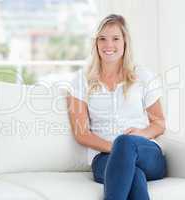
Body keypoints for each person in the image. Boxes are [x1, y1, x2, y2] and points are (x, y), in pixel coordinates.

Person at [67, 14, 166, 200]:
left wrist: (140, 135)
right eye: (102, 39)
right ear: (96, 44)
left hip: (145, 152)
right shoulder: (81, 80)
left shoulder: (143, 76)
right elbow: (81, 133)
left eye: (115, 39)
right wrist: (120, 150)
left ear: (125, 42)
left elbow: (159, 123)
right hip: (104, 158)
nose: (108, 45)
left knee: (126, 143)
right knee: (134, 175)